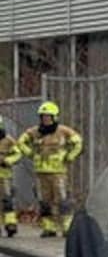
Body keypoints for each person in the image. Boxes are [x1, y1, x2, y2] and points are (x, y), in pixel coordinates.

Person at [18, 101, 83, 238]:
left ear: (54, 117)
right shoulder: (35, 132)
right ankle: (49, 228)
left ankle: (66, 227)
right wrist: (31, 154)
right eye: (43, 117)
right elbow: (21, 142)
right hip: (41, 172)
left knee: (62, 200)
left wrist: (70, 156)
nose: (45, 119)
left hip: (58, 171)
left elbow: (78, 142)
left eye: (48, 116)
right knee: (45, 201)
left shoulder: (63, 131)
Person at [0, 119, 23, 237]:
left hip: (4, 176)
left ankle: (10, 224)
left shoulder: (8, 140)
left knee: (7, 200)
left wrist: (8, 160)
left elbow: (18, 153)